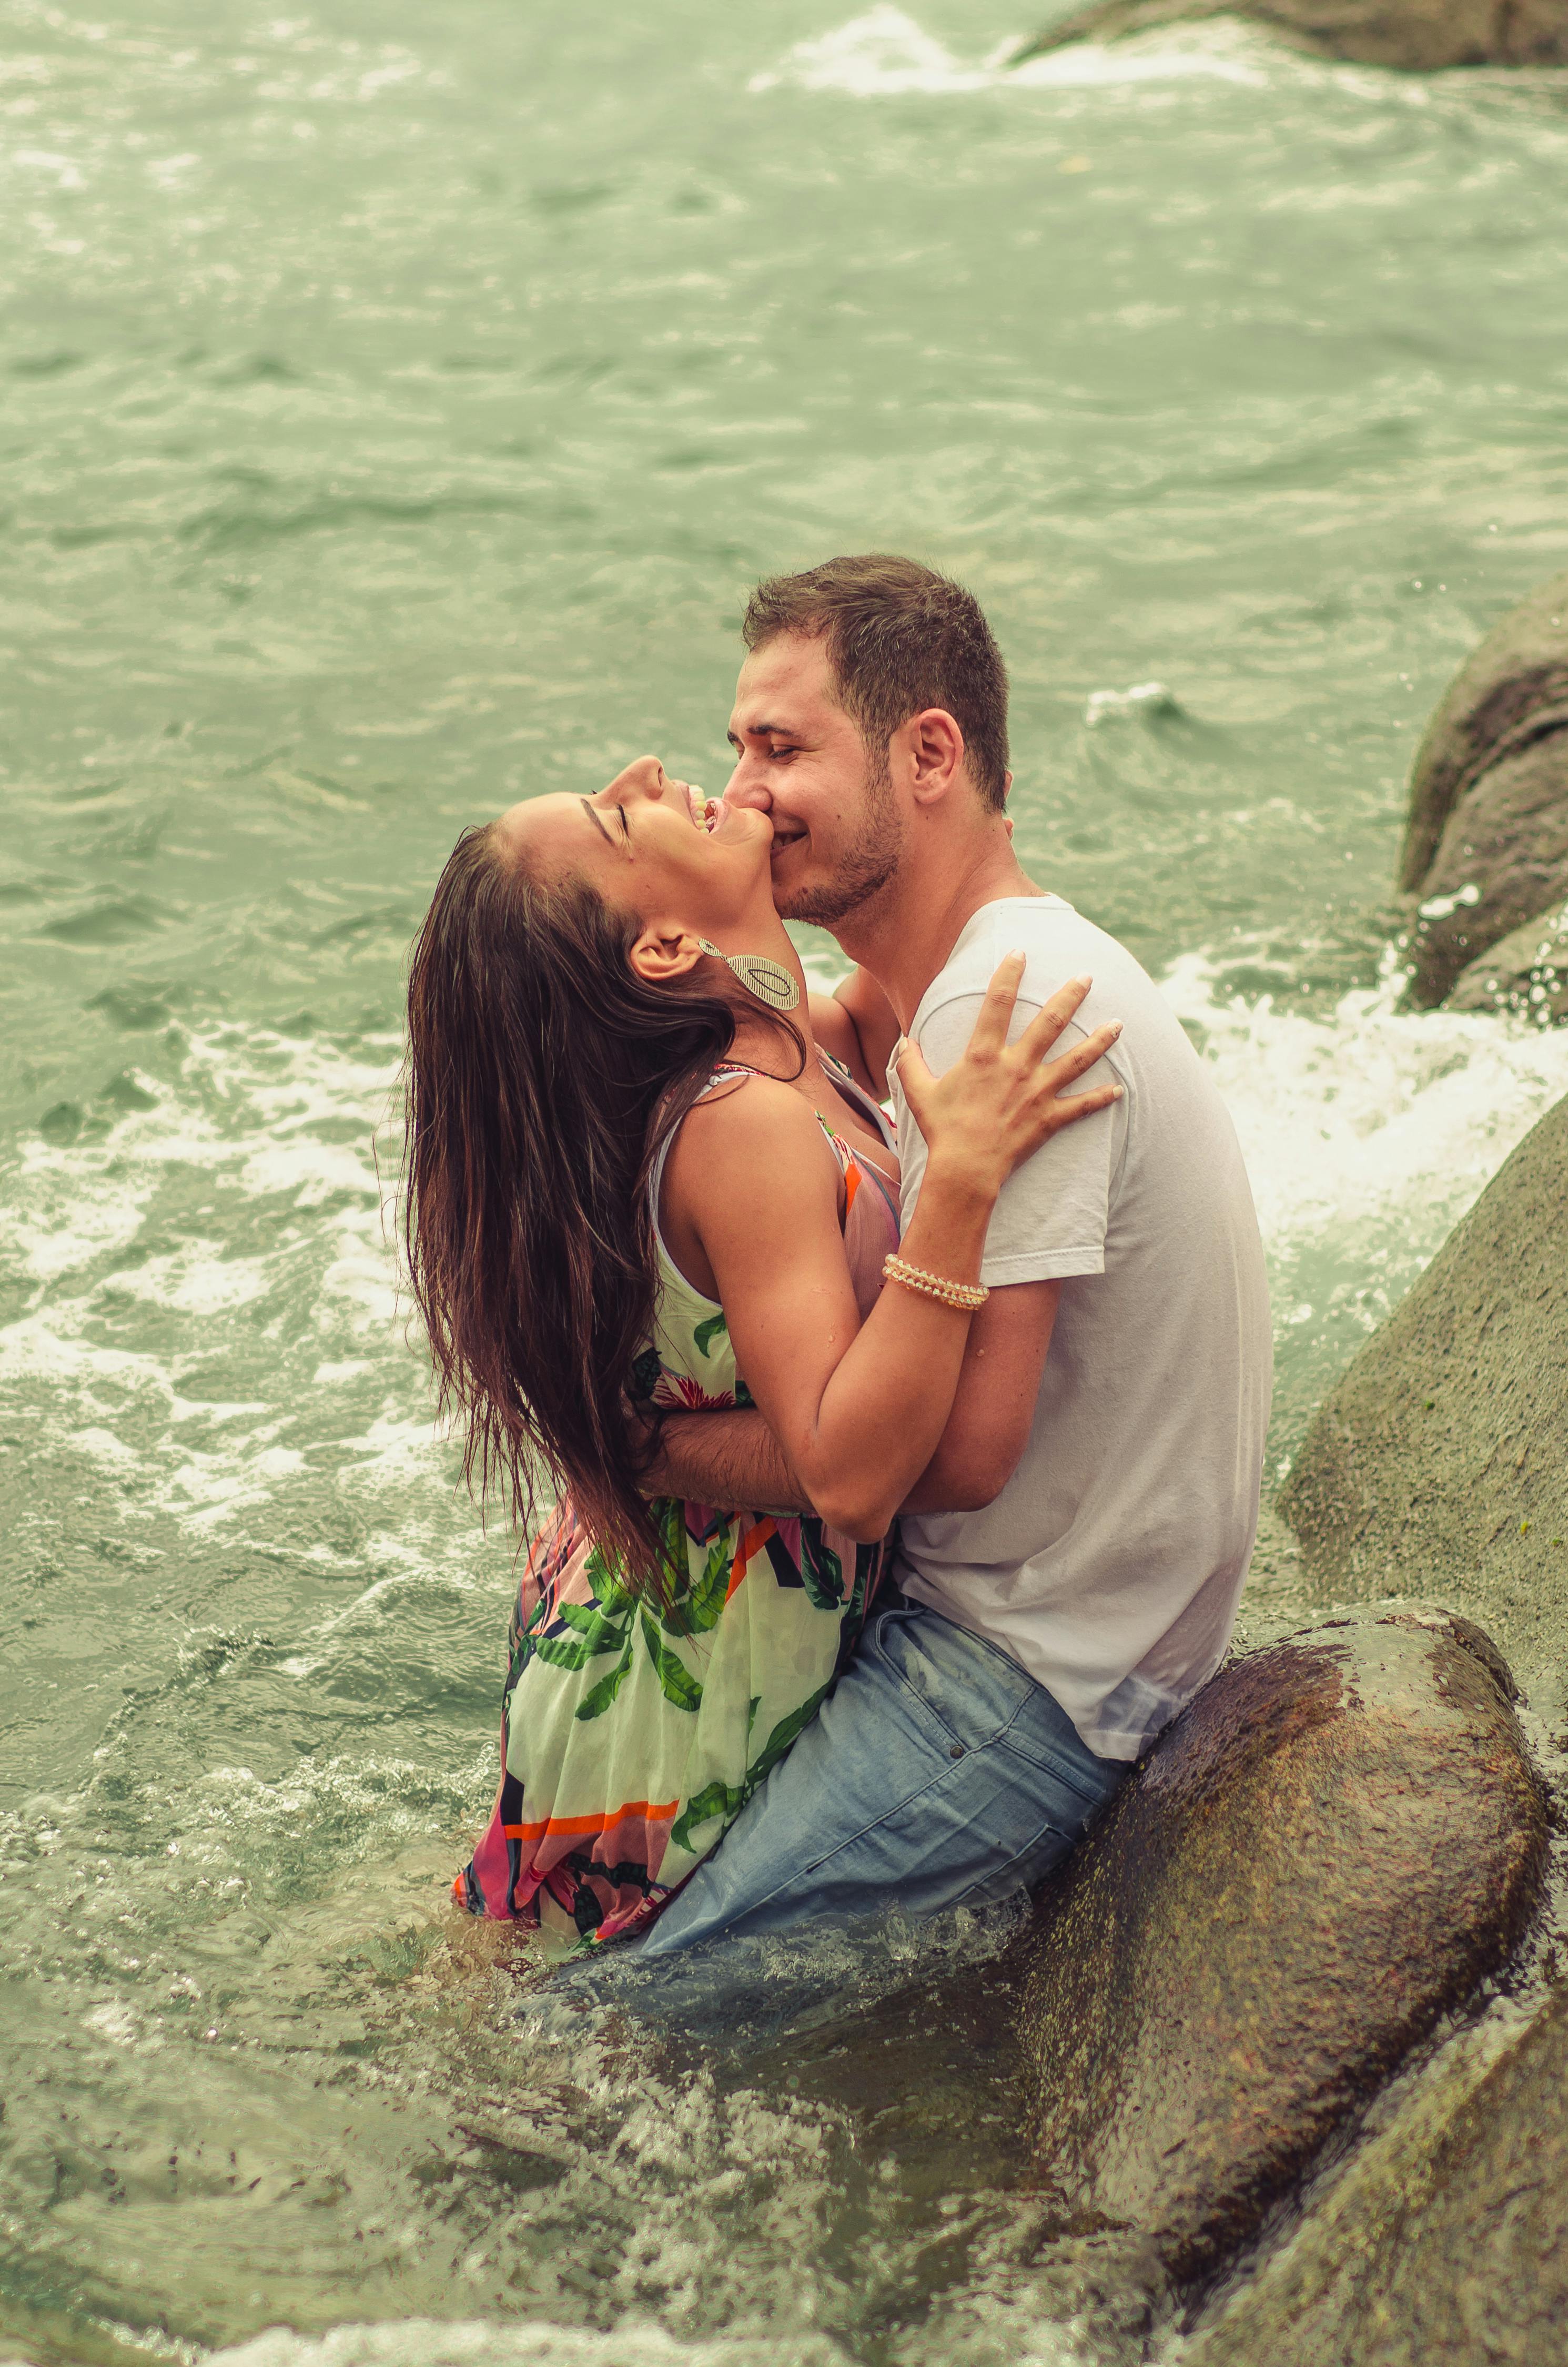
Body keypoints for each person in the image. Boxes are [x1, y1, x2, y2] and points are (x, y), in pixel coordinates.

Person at [636, 554, 1273, 1958]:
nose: (740, 787)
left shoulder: (1010, 1000)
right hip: (1009, 1614)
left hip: (1030, 1669)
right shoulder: (944, 982)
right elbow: (795, 1036)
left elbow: (967, 1453)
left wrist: (658, 1453)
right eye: (736, 746)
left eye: (780, 747)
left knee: (618, 2015)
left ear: (927, 753)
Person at [402, 756, 1122, 1948]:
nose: (645, 770)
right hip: (684, 1662)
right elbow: (849, 1474)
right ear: (663, 951)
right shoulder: (740, 1124)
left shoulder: (810, 1036)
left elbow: (918, 950)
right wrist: (964, 1191)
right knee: (554, 2043)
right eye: (613, 816)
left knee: (513, 1941)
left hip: (668, 1596)